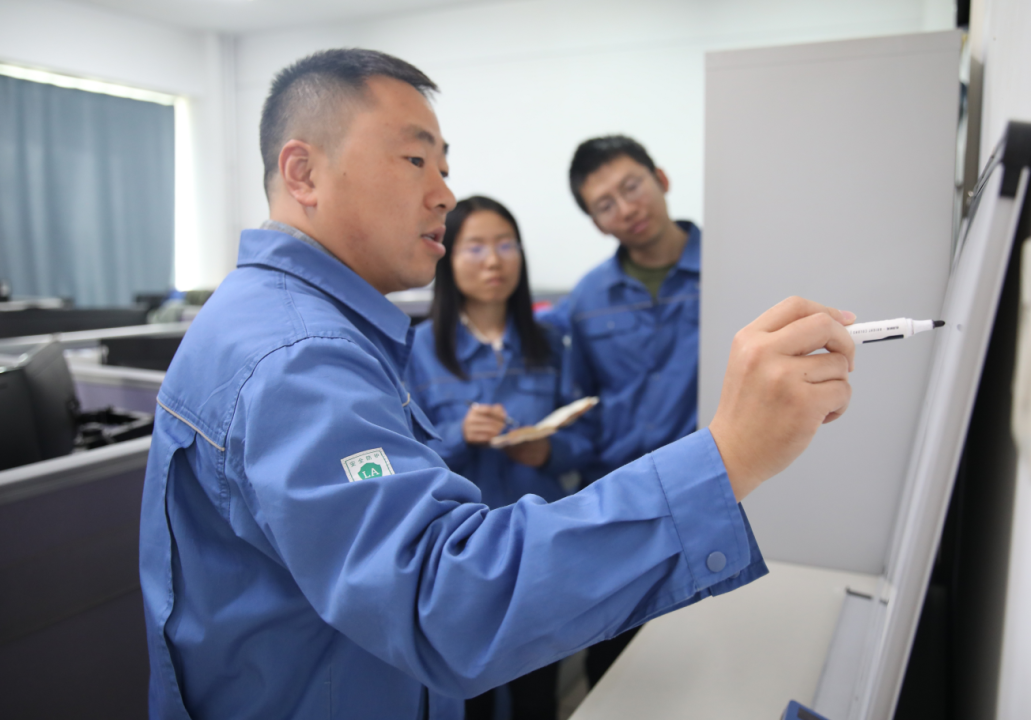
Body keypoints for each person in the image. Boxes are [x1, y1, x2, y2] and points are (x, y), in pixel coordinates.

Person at [139, 48, 856, 720]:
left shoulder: (294, 326)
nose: (444, 194)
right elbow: (445, 600)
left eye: (444, 166)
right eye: (415, 159)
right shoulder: (299, 359)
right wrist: (728, 456)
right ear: (303, 174)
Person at [406, 195, 588, 719]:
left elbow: (586, 441)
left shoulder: (551, 343)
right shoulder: (416, 349)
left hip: (539, 546)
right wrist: (457, 435)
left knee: (537, 696)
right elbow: (402, 460)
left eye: (506, 245)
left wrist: (546, 449)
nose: (494, 261)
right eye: (476, 247)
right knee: (472, 700)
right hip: (460, 554)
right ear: (448, 257)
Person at [556, 135, 709, 684]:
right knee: (614, 663)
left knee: (704, 655)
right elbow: (579, 407)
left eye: (632, 187)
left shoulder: (731, 267)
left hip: (709, 490)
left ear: (661, 179)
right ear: (597, 223)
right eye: (605, 204)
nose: (625, 208)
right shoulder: (587, 300)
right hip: (621, 504)